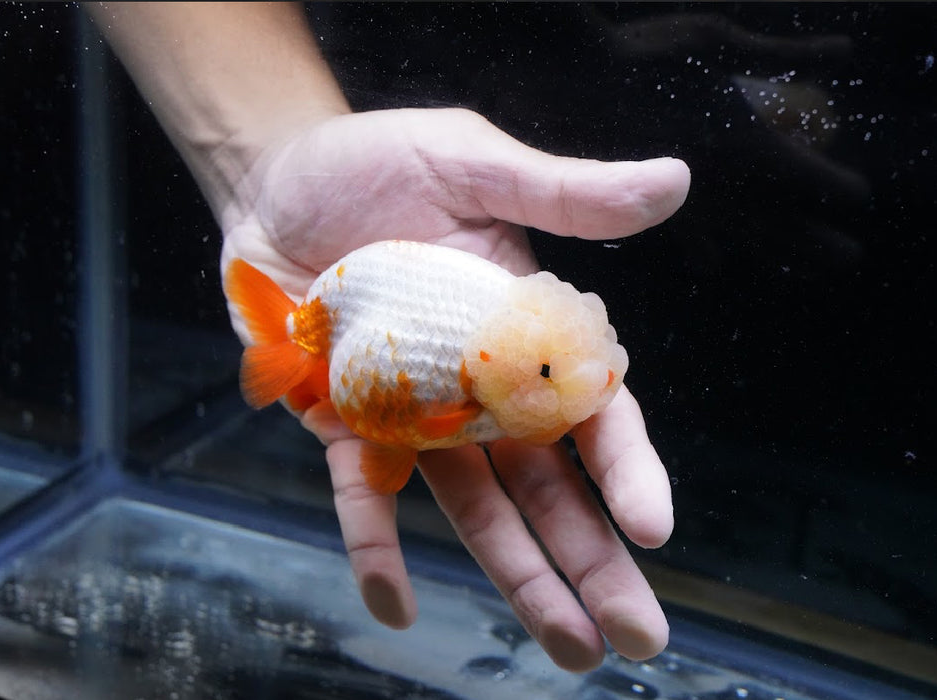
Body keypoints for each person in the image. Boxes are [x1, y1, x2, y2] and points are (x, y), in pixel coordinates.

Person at [86, 2, 691, 672]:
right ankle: (298, 350)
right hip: (345, 312)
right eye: (548, 373)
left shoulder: (499, 351)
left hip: (361, 316)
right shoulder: (472, 393)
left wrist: (265, 155)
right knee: (360, 409)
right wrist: (262, 172)